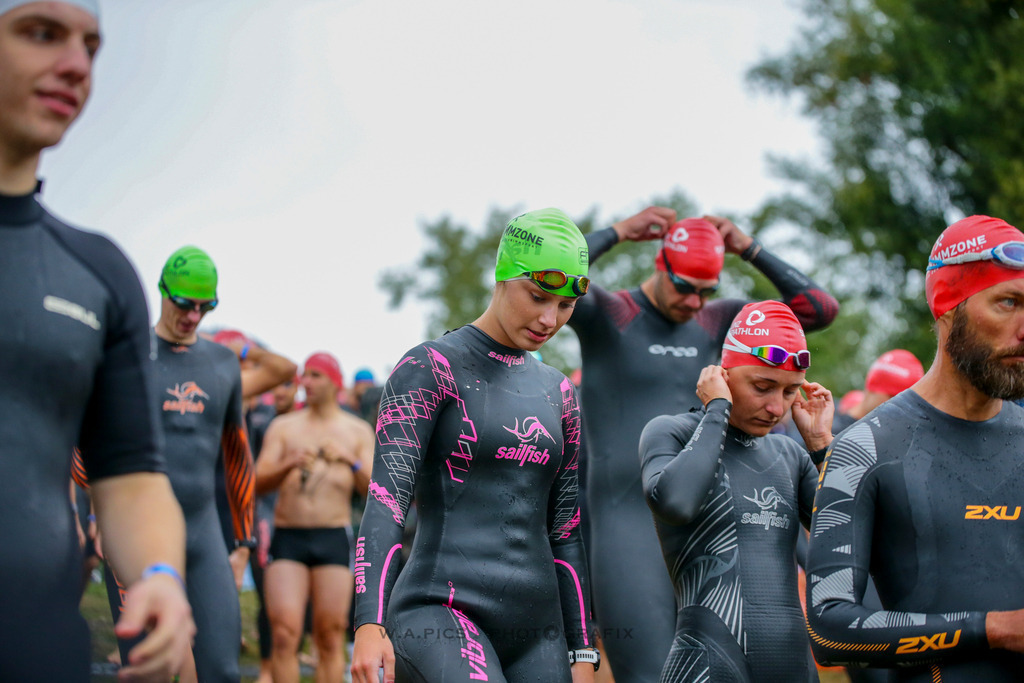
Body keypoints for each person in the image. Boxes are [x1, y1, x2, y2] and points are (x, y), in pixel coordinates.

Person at [0, 1, 194, 680]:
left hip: (37, 643)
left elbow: (131, 477)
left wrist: (162, 574)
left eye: (91, 45)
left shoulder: (96, 273)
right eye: (41, 33)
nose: (77, 65)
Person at [567, 207, 838, 680]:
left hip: (714, 522)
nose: (695, 302)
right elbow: (549, 273)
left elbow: (820, 308)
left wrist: (748, 248)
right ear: (659, 265)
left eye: (706, 290)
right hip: (627, 527)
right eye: (684, 287)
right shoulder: (611, 314)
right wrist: (619, 232)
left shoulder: (722, 322)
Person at [351, 208, 597, 683]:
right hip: (439, 613)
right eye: (538, 296)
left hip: (537, 633)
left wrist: (582, 651)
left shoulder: (559, 392)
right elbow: (385, 502)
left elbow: (565, 531)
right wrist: (368, 622)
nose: (550, 318)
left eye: (565, 306)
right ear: (503, 276)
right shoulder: (431, 367)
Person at [805, 215, 1024, 681]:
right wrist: (995, 629)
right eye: (1009, 302)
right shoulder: (866, 446)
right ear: (947, 304)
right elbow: (829, 629)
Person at [640, 301, 830, 682]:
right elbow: (675, 503)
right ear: (723, 375)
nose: (776, 407)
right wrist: (717, 411)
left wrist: (823, 445)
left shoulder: (789, 455)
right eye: (762, 387)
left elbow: (851, 531)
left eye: (791, 391)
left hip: (795, 669)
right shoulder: (671, 432)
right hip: (706, 666)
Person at [101, 245, 256, 683]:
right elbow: (86, 443)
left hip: (202, 531)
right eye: (184, 304)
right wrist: (96, 515)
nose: (193, 316)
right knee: (149, 669)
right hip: (136, 535)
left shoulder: (222, 362)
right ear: (163, 291)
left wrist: (242, 543)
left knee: (222, 670)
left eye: (205, 308)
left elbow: (237, 453)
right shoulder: (128, 353)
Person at [255, 351, 374, 683]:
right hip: (288, 535)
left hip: (332, 536)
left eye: (315, 375)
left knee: (330, 635)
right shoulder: (283, 427)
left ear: (334, 382)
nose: (305, 382)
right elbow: (256, 482)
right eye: (304, 375)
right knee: (284, 634)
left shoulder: (357, 431)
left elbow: (375, 492)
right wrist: (289, 462)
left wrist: (350, 460)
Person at [831, 349, 924, 434]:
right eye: (892, 398)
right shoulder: (828, 432)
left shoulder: (894, 438)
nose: (899, 410)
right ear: (874, 390)